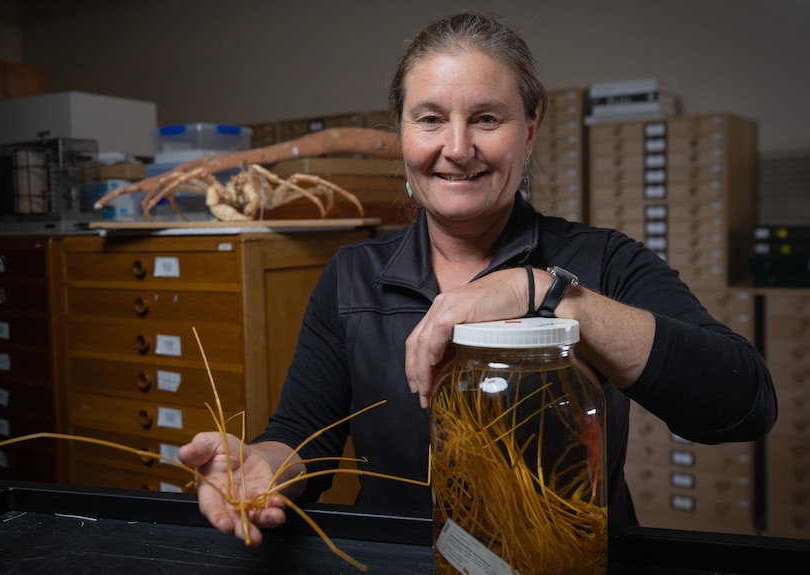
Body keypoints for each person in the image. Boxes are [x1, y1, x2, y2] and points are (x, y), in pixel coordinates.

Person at [179, 11, 777, 545]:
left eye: (487, 118)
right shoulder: (353, 277)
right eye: (431, 119)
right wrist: (264, 466)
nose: (458, 147)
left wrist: (546, 293)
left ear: (530, 132)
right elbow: (302, 436)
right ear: (403, 134)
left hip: (568, 564)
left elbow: (743, 402)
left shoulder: (603, 263)